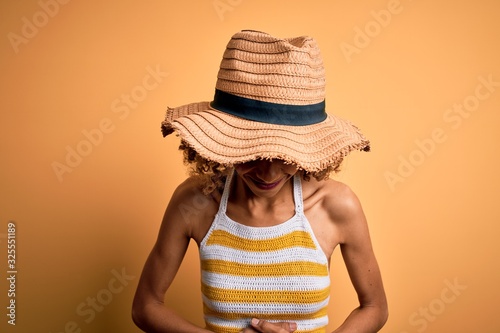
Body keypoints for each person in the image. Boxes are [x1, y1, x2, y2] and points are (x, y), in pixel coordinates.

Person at [132, 30, 388, 333]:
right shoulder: (195, 202)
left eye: (284, 155)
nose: (268, 174)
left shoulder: (337, 205)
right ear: (226, 146)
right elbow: (145, 307)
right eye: (251, 154)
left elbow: (375, 308)